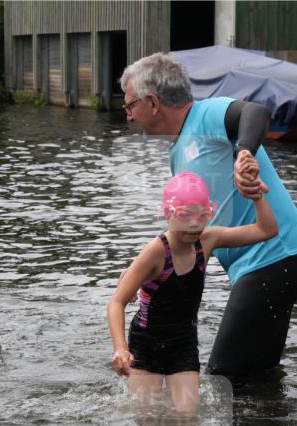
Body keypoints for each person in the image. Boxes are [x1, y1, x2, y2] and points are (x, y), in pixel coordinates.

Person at [120, 53, 297, 380]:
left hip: (273, 259)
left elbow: (254, 112)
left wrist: (243, 153)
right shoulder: (178, 149)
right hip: (267, 264)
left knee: (220, 378)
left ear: (152, 102)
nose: (128, 116)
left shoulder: (206, 114)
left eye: (129, 106)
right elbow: (193, 228)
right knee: (257, 376)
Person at [108, 171, 277, 413]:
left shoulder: (207, 241)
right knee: (147, 422)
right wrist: (121, 348)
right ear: (168, 214)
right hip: (147, 343)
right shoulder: (155, 252)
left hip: (184, 342)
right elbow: (117, 302)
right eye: (185, 216)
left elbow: (266, 230)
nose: (195, 224)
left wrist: (257, 195)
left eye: (203, 215)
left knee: (188, 423)